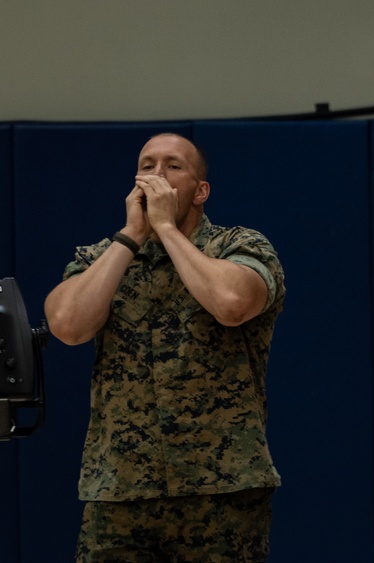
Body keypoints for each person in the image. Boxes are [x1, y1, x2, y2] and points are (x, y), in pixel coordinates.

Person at [44, 132, 285, 562]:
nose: (157, 175)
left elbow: (232, 305)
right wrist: (131, 237)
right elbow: (66, 326)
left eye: (173, 166)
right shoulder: (104, 256)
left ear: (200, 191)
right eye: (148, 165)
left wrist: (168, 230)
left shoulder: (238, 246)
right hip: (120, 489)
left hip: (220, 489)